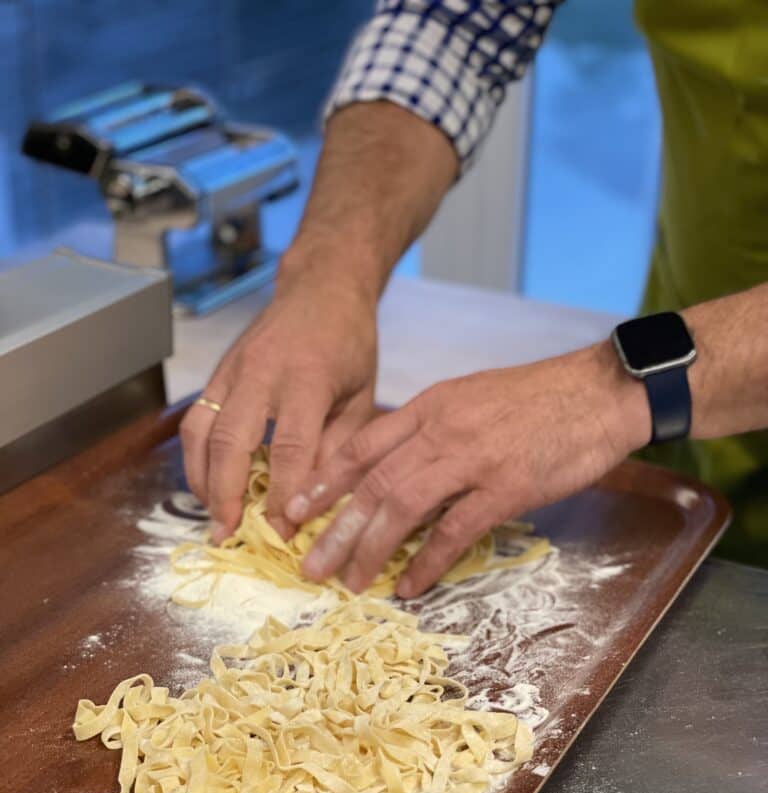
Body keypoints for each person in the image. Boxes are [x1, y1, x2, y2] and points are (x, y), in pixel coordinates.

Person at [180, 0, 768, 598]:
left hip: (667, 379)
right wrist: (330, 273)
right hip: (687, 366)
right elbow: (449, 25)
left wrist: (609, 391)